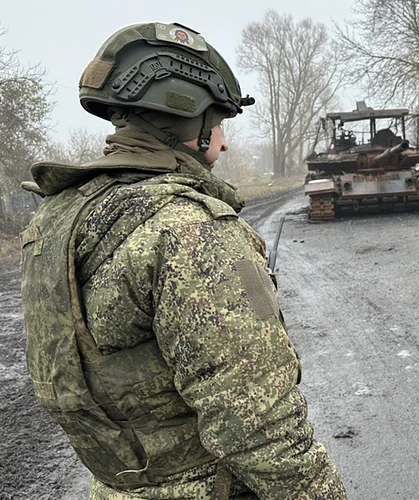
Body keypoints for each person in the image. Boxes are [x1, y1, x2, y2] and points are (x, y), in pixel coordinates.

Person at [19, 22, 347, 500]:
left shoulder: (56, 218)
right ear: (190, 118)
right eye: (219, 122)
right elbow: (258, 422)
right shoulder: (189, 229)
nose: (225, 141)